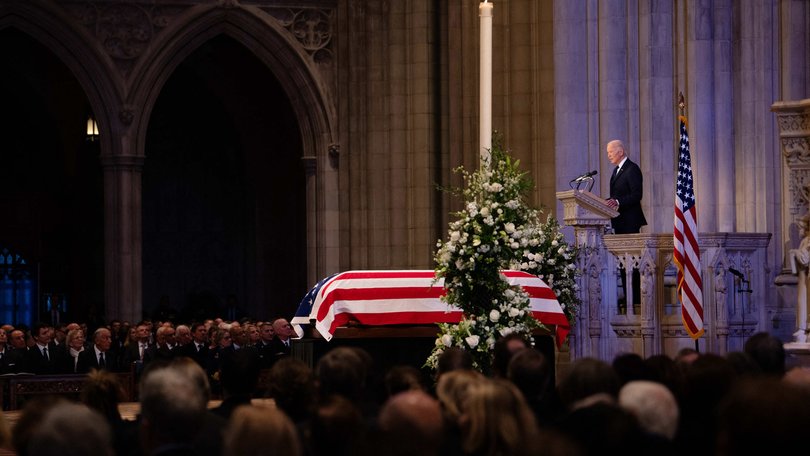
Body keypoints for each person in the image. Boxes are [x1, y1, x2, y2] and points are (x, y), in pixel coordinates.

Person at [605, 139, 646, 234]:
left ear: (620, 152)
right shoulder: (616, 170)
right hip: (619, 219)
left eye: (610, 152)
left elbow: (637, 195)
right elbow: (616, 195)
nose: (608, 155)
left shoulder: (632, 168)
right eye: (608, 152)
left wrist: (617, 201)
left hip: (630, 220)